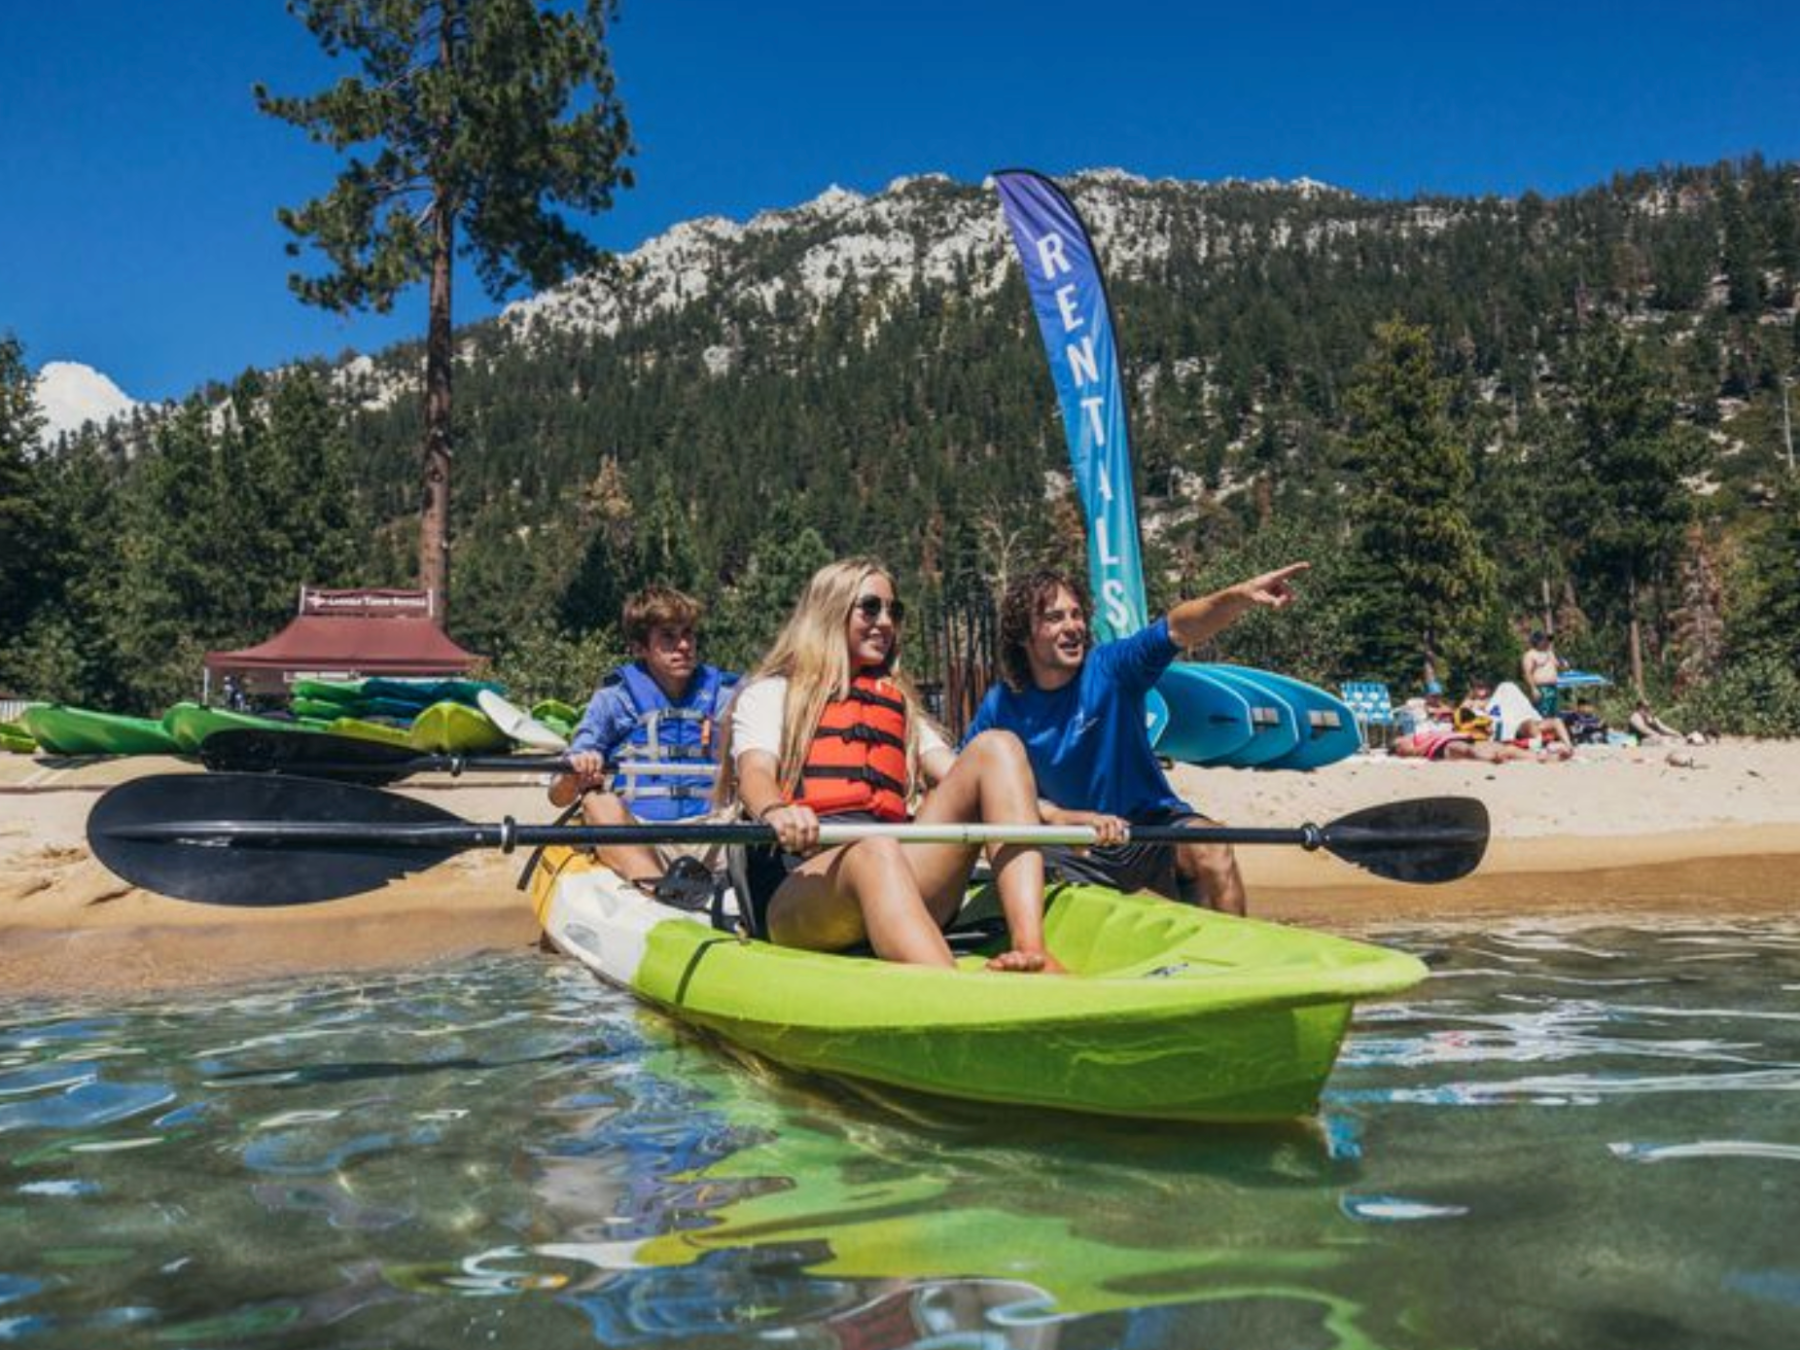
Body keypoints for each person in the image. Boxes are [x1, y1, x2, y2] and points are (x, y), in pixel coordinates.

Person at [719, 557, 1057, 972]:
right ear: (831, 609)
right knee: (873, 850)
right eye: (870, 607)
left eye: (893, 611)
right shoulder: (772, 694)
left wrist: (1067, 816)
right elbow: (754, 774)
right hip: (802, 890)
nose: (885, 622)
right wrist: (775, 810)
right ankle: (954, 991)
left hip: (894, 869)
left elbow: (972, 779)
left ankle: (1030, 949)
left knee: (997, 746)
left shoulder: (899, 708)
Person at [966, 563, 1311, 919]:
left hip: (1146, 830)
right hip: (1067, 845)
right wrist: (1057, 818)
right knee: (1015, 848)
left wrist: (1237, 597)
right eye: (1054, 618)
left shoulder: (1112, 668)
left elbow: (1178, 627)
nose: (1072, 627)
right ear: (1024, 636)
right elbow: (967, 782)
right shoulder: (1001, 705)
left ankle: (1236, 958)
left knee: (1212, 846)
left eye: (1076, 614)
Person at [550, 585, 738, 890]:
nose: (684, 645)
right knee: (598, 802)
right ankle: (656, 890)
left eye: (688, 633)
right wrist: (579, 770)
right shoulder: (613, 700)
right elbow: (558, 797)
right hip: (640, 835)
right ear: (639, 648)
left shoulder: (726, 698)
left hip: (717, 833)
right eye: (668, 636)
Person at [1521, 630, 1567, 717]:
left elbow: (1558, 667)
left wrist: (1563, 664)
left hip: (1553, 688)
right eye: (1545, 640)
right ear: (1537, 641)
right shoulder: (1530, 655)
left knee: (1553, 714)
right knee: (1541, 713)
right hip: (1541, 689)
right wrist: (1533, 689)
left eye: (1549, 640)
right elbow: (1527, 673)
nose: (1548, 642)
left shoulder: (1550, 653)